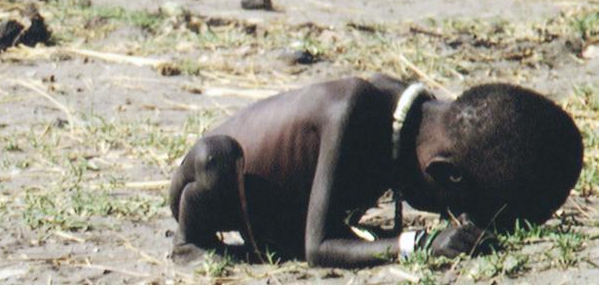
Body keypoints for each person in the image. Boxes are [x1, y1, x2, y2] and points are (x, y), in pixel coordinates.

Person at [169, 74, 583, 268]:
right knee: (214, 160)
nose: (453, 218)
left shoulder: (418, 121)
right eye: (457, 209)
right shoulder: (353, 113)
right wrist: (418, 244)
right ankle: (190, 243)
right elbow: (319, 248)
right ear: (444, 175)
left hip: (279, 210)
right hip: (216, 181)